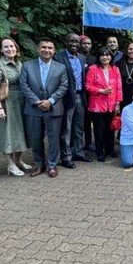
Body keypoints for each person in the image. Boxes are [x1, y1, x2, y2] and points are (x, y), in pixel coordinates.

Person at [19, 38, 69, 178]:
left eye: (50, 48)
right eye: (44, 47)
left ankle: (52, 165)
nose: (46, 50)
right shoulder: (27, 66)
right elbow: (24, 85)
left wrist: (50, 101)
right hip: (33, 109)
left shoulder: (60, 67)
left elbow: (63, 86)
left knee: (54, 139)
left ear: (53, 51)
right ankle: (39, 164)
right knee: (36, 139)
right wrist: (37, 101)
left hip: (54, 108)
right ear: (38, 49)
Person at [0, 37, 30, 177]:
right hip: (7, 103)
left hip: (21, 102)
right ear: (1, 50)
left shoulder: (19, 64)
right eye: (6, 47)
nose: (9, 49)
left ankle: (18, 160)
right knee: (7, 133)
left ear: (16, 48)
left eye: (12, 46)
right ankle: (11, 165)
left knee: (20, 132)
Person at [53, 33, 91, 168]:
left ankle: (78, 152)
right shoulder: (58, 57)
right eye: (71, 41)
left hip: (81, 96)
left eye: (76, 42)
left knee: (79, 127)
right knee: (66, 129)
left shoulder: (82, 58)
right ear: (66, 42)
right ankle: (66, 156)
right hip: (67, 98)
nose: (74, 44)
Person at [86, 47, 123, 161]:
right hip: (97, 106)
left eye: (107, 55)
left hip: (112, 105)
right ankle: (99, 153)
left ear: (111, 57)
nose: (105, 57)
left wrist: (118, 103)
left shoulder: (115, 69)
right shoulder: (93, 69)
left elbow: (119, 87)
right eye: (102, 55)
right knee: (99, 131)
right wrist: (102, 91)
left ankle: (110, 151)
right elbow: (88, 86)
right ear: (99, 57)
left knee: (110, 130)